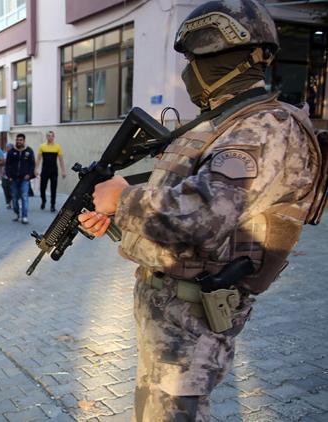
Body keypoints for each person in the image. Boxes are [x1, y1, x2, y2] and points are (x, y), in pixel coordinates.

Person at [78, 2, 324, 420]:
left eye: (194, 61)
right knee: (154, 408)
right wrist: (118, 220)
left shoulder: (264, 128)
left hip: (193, 311)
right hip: (169, 304)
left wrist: (123, 199)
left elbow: (202, 218)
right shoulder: (222, 125)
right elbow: (182, 203)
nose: (187, 72)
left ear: (224, 61)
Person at [5, 133, 35, 224]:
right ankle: (17, 213)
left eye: (20, 140)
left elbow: (32, 165)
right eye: (17, 140)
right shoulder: (11, 152)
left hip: (24, 179)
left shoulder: (29, 151)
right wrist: (9, 176)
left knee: (24, 197)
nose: (18, 141)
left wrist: (29, 175)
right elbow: (7, 165)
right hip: (13, 179)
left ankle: (24, 216)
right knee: (14, 198)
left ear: (24, 141)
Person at [34, 131, 67, 212]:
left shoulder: (57, 147)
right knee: (42, 188)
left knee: (53, 189)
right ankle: (43, 200)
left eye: (51, 136)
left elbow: (61, 160)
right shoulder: (42, 146)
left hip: (54, 171)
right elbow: (38, 159)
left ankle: (52, 205)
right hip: (44, 170)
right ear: (46, 137)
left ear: (53, 137)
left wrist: (63, 171)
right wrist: (35, 169)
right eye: (48, 136)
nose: (49, 137)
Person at [1, 143, 14, 209]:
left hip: (12, 175)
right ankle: (8, 202)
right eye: (7, 147)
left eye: (9, 147)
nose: (7, 148)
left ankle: (12, 201)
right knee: (5, 187)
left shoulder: (14, 155)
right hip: (4, 175)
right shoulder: (4, 155)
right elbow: (2, 164)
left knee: (11, 188)